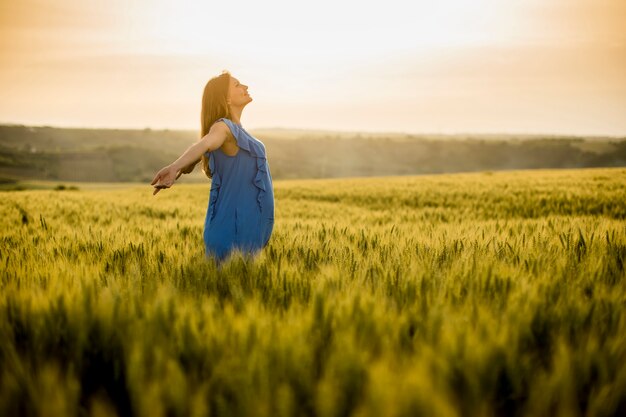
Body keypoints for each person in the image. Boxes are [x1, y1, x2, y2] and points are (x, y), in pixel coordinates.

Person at [150, 70, 274, 264]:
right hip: (233, 231)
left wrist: (182, 167)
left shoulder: (237, 131)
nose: (245, 87)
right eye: (237, 85)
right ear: (226, 98)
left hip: (245, 231)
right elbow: (205, 143)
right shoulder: (223, 127)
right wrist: (175, 167)